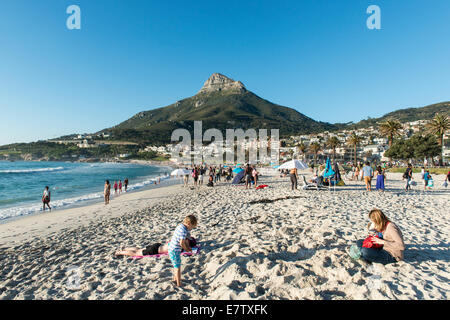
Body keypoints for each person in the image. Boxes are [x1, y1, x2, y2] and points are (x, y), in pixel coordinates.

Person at [168, 215, 198, 286]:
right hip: (175, 250)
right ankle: (179, 284)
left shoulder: (180, 226)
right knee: (177, 267)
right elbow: (182, 243)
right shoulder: (184, 231)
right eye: (192, 227)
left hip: (171, 248)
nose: (191, 229)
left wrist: (187, 247)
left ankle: (175, 279)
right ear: (189, 223)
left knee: (175, 265)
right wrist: (186, 249)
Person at [114, 237, 197, 257]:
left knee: (139, 250)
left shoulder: (177, 240)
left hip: (158, 245)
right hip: (155, 250)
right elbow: (187, 250)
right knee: (137, 253)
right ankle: (120, 252)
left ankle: (125, 248)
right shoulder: (181, 246)